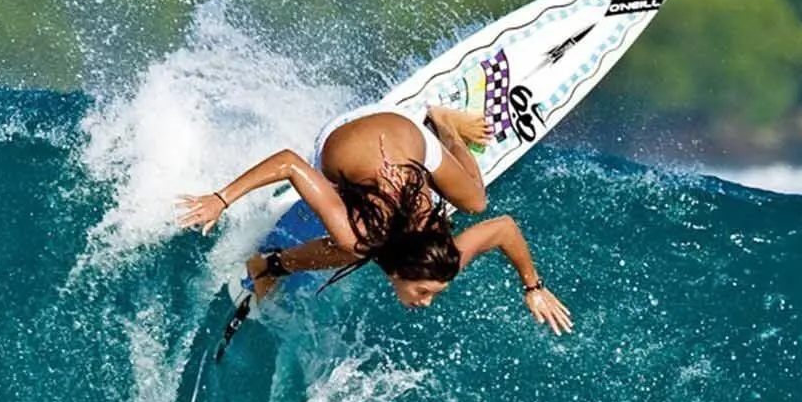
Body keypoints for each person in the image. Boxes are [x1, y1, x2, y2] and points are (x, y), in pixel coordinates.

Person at [176, 105, 573, 333]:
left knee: (477, 203)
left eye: (430, 293)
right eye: (424, 291)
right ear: (401, 269)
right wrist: (220, 199)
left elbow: (503, 228)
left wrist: (533, 287)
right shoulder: (362, 233)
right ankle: (270, 266)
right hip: (342, 134)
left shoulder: (436, 256)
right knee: (356, 248)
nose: (427, 301)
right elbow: (289, 164)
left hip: (410, 135)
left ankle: (445, 125)